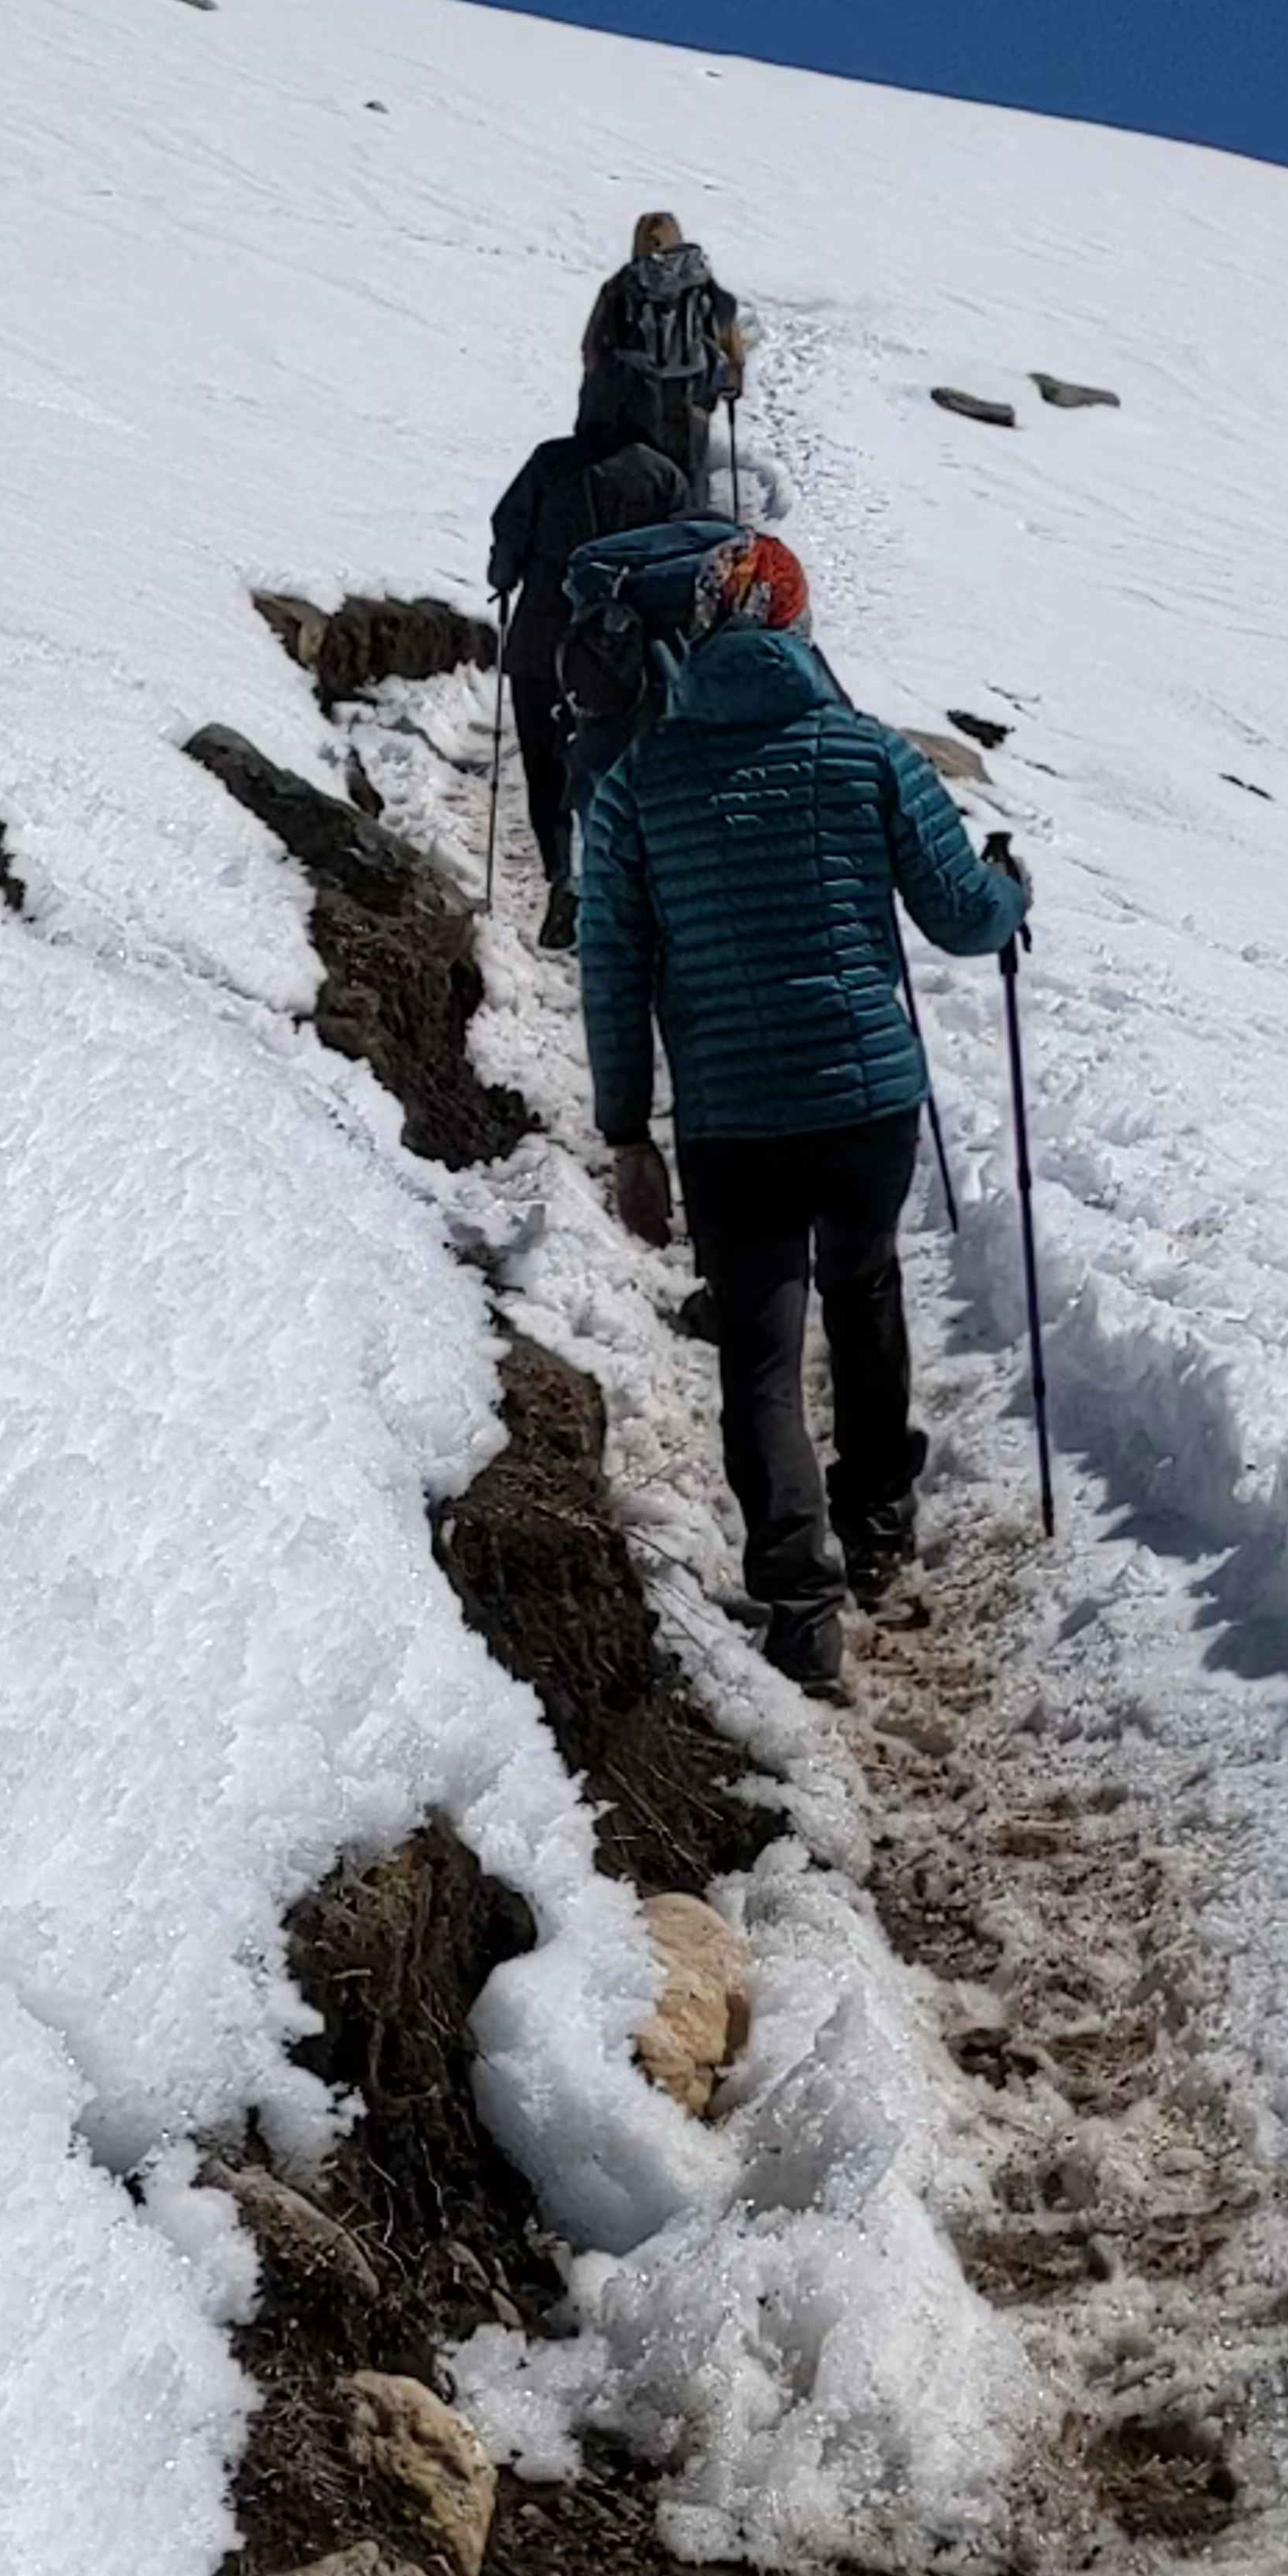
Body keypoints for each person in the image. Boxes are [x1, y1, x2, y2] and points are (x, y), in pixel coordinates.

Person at [578, 531, 1026, 1694]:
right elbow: (965, 916)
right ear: (797, 625)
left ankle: (800, 1606)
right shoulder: (868, 754)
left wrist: (627, 1130)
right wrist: (1013, 885)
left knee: (761, 1352)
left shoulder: (640, 782)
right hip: (866, 1094)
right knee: (866, 1283)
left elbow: (612, 965)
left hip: (731, 1115)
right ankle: (880, 1516)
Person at [485, 411, 692, 941]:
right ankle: (620, 890)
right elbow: (682, 560)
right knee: (615, 771)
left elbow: (510, 527)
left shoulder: (551, 461)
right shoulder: (663, 474)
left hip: (541, 638)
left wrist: (504, 574)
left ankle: (562, 876)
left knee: (543, 767)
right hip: (623, 656)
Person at [577, 211, 745, 499]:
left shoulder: (622, 285)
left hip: (632, 400)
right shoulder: (699, 281)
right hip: (691, 400)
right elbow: (728, 330)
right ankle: (692, 525)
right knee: (688, 474)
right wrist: (734, 373)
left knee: (635, 475)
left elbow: (591, 350)